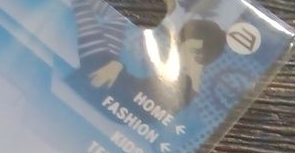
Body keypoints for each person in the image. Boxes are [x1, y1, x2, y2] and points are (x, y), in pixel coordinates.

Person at [88, 19, 226, 113]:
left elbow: (132, 94)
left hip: (106, 98)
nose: (178, 51)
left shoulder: (184, 84)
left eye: (185, 47)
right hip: (110, 99)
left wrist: (118, 68)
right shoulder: (186, 82)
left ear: (199, 53)